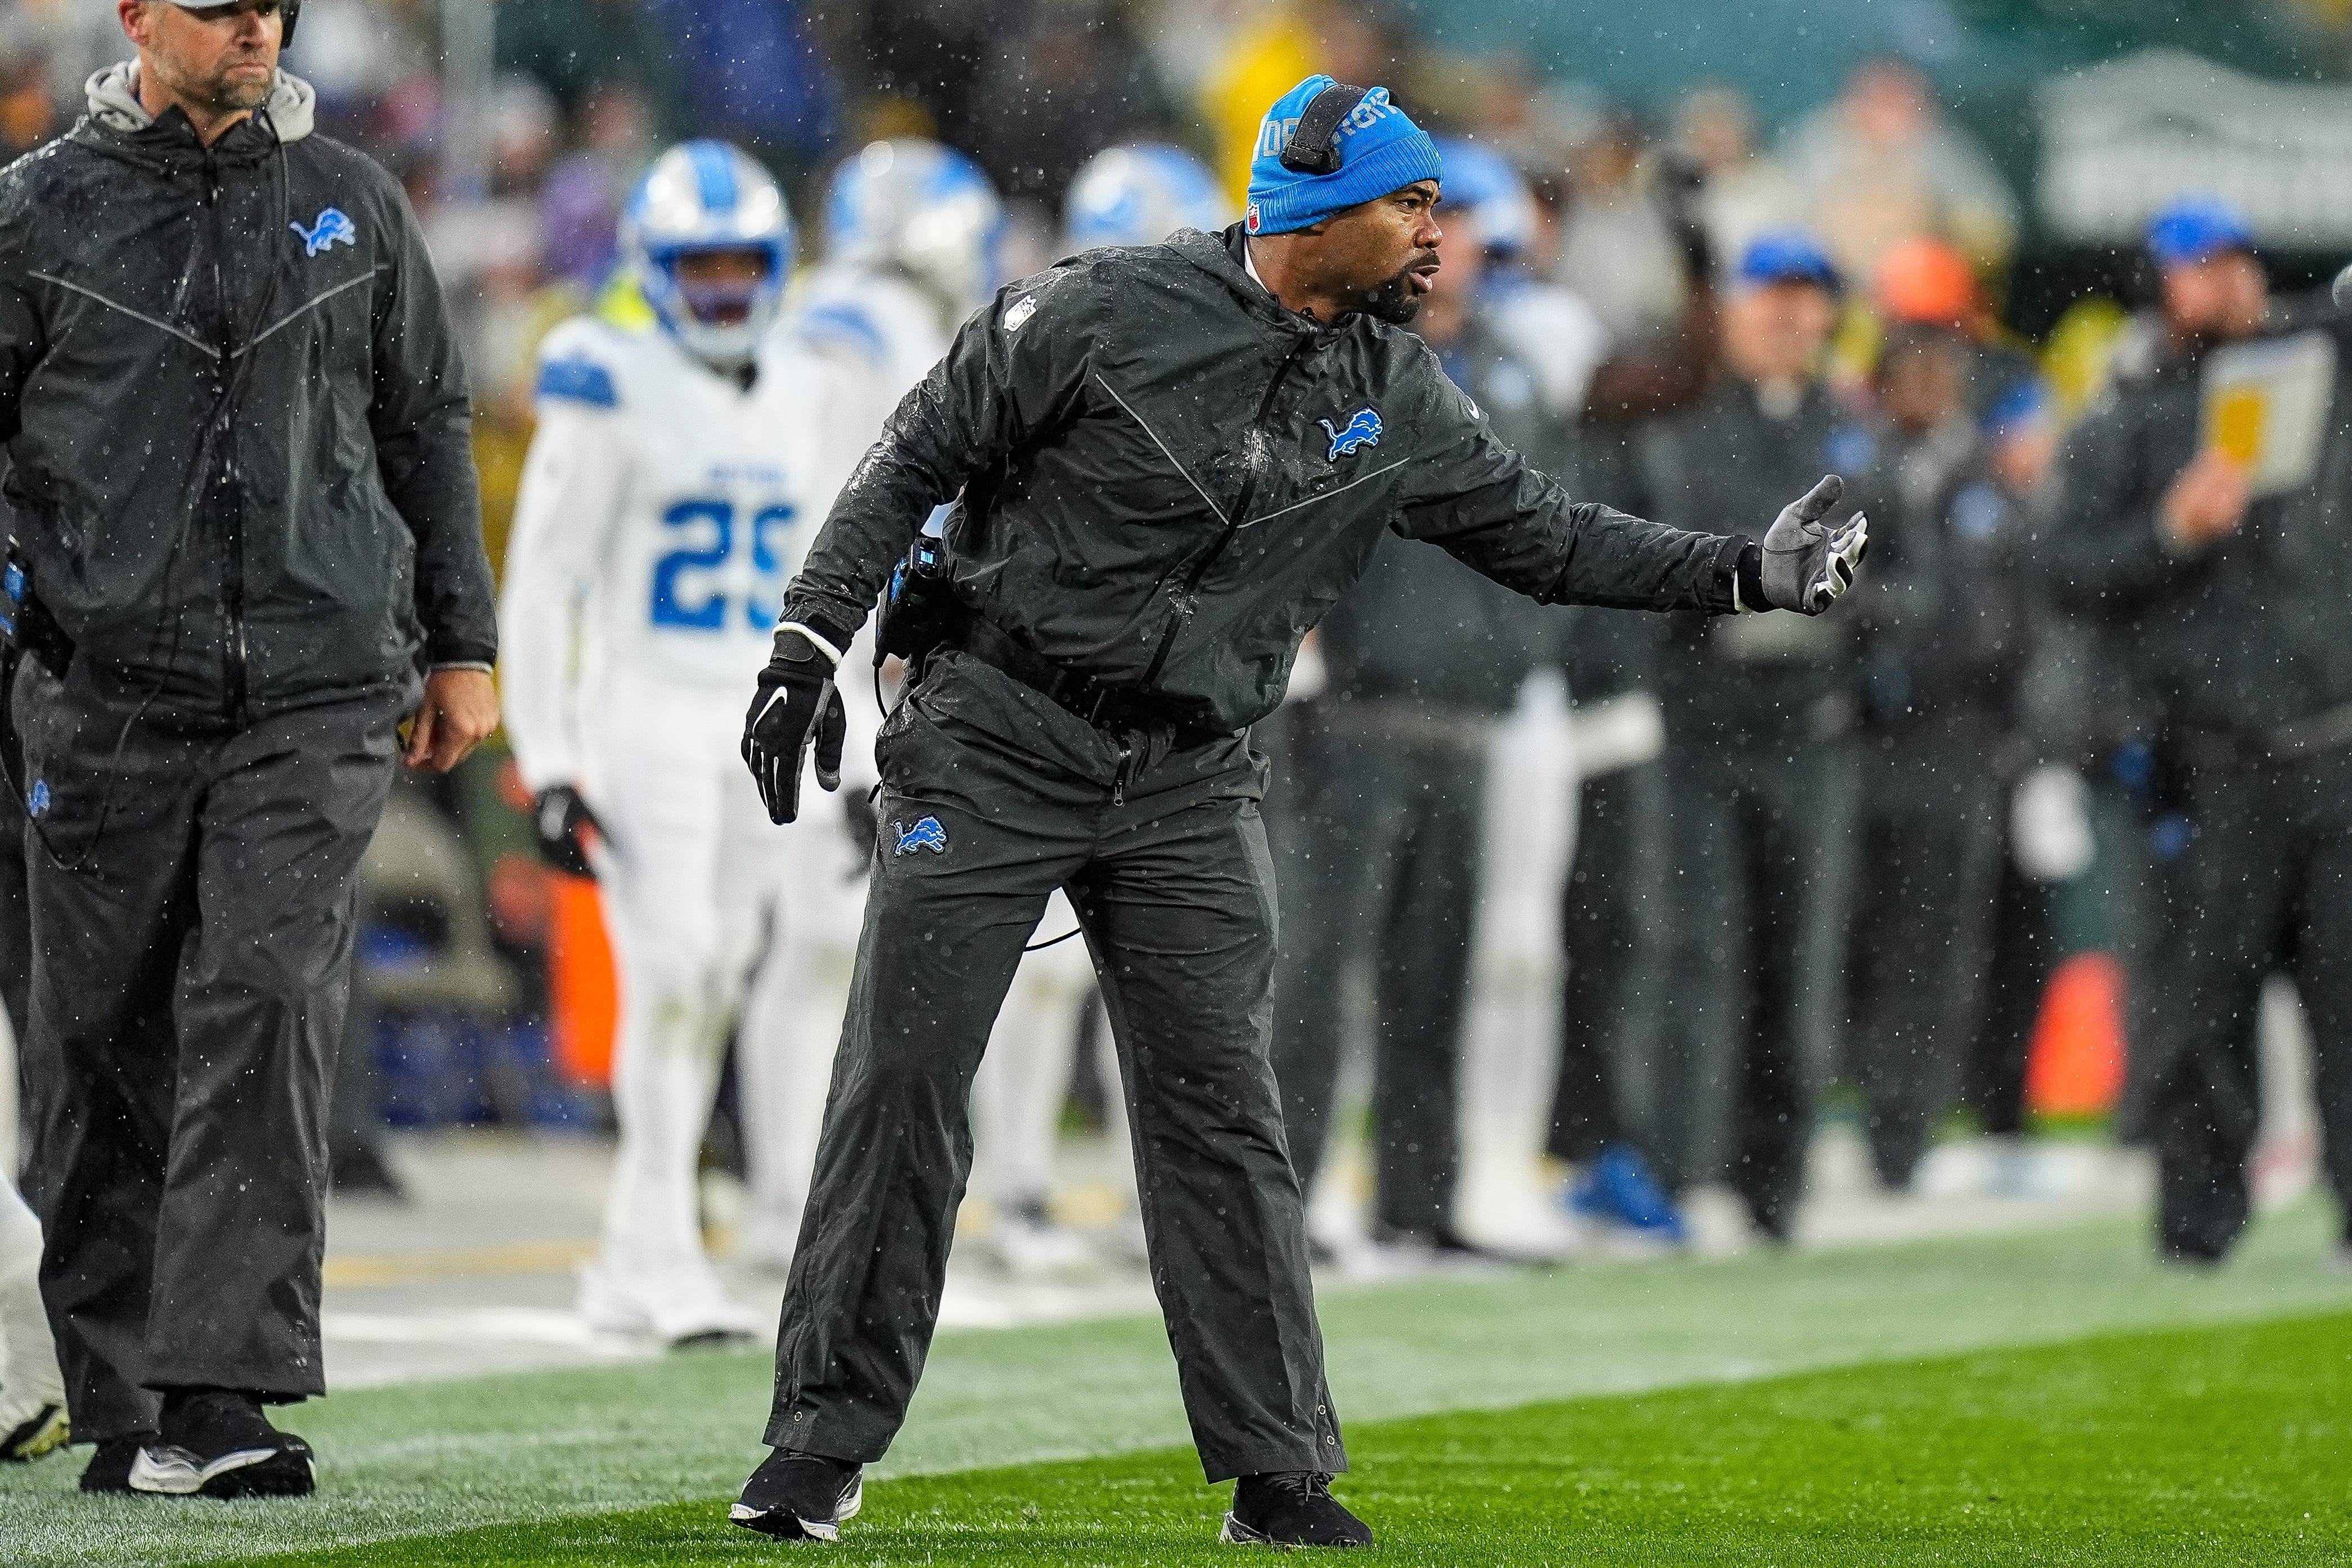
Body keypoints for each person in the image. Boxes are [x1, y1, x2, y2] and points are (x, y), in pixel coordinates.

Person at [732, 75, 1866, 1547]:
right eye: (1407, 204)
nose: (1430, 234)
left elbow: (1545, 536)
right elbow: (911, 457)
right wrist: (808, 644)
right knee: (903, 1077)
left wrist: (1742, 572)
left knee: (1224, 1115)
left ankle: (1275, 1470)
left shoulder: (1392, 390)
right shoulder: (1094, 309)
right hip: (996, 733)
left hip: (1190, 775)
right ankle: (819, 1445)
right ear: (1312, 213)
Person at [0, 0, 499, 1498]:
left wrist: (462, 639)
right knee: (99, 1038)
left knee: (267, 997)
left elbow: (428, 419)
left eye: (270, 9)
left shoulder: (354, 201)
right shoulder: (35, 214)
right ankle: (120, 1399)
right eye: (218, 11)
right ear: (140, 19)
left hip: (320, 682)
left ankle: (219, 1392)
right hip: (101, 692)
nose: (254, 32)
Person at [500, 140, 862, 1343]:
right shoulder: (605, 374)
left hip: (757, 709)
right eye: (696, 267)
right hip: (644, 704)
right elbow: (546, 581)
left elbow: (834, 577)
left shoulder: (805, 383)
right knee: (673, 970)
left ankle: (637, 1248)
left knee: (718, 973)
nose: (720, 291)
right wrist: (548, 758)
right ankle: (654, 1255)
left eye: (739, 266)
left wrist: (854, 744)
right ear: (652, 271)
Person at [2045, 197, 2352, 1266]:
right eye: (2196, 267)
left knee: (2348, 1001)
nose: (2220, 283)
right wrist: (2170, 531)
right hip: (2205, 760)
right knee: (2199, 1010)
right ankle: (2200, 1223)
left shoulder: (2324, 368)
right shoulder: (2129, 418)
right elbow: (2065, 568)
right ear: (2162, 282)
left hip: (2332, 740)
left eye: (2234, 263)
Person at [729, 136, 1006, 1274]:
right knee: (817, 944)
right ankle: (791, 1203)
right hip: (831, 649)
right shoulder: (885, 332)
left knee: (789, 946)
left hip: (770, 641)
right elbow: (864, 507)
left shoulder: (807, 311)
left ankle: (782, 1194)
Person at [1636, 232, 1870, 1243]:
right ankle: (1683, 1171)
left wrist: (1840, 614)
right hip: (1701, 722)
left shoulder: (1839, 429)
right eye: (1773, 298)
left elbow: (1898, 569)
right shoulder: (1679, 418)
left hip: (1809, 726)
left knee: (1794, 961)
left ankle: (1773, 1182)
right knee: (1694, 954)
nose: (1792, 318)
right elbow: (1654, 555)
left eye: (1808, 300)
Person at [1844, 325, 2031, 1189]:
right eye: (1907, 372)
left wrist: (2029, 744)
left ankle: (1904, 1132)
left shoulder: (1988, 479)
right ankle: (1836, 1112)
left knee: (1933, 948)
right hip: (1859, 738)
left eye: (1937, 373)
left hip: (1953, 742)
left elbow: (2005, 621)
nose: (1923, 388)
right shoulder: (1850, 469)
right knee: (1841, 939)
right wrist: (1909, 616)